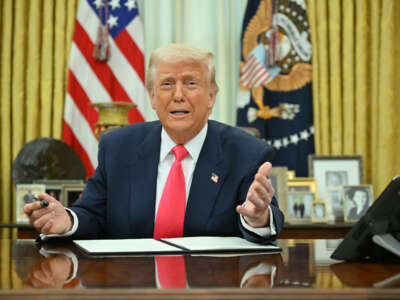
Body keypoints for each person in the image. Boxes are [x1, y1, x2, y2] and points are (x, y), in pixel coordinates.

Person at [24, 43, 284, 243]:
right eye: (167, 84)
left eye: (191, 83)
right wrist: (68, 220)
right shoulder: (118, 148)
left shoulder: (247, 152)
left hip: (210, 286)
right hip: (134, 285)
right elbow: (92, 214)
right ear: (152, 97)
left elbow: (264, 221)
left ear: (211, 97)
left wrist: (258, 219)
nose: (178, 95)